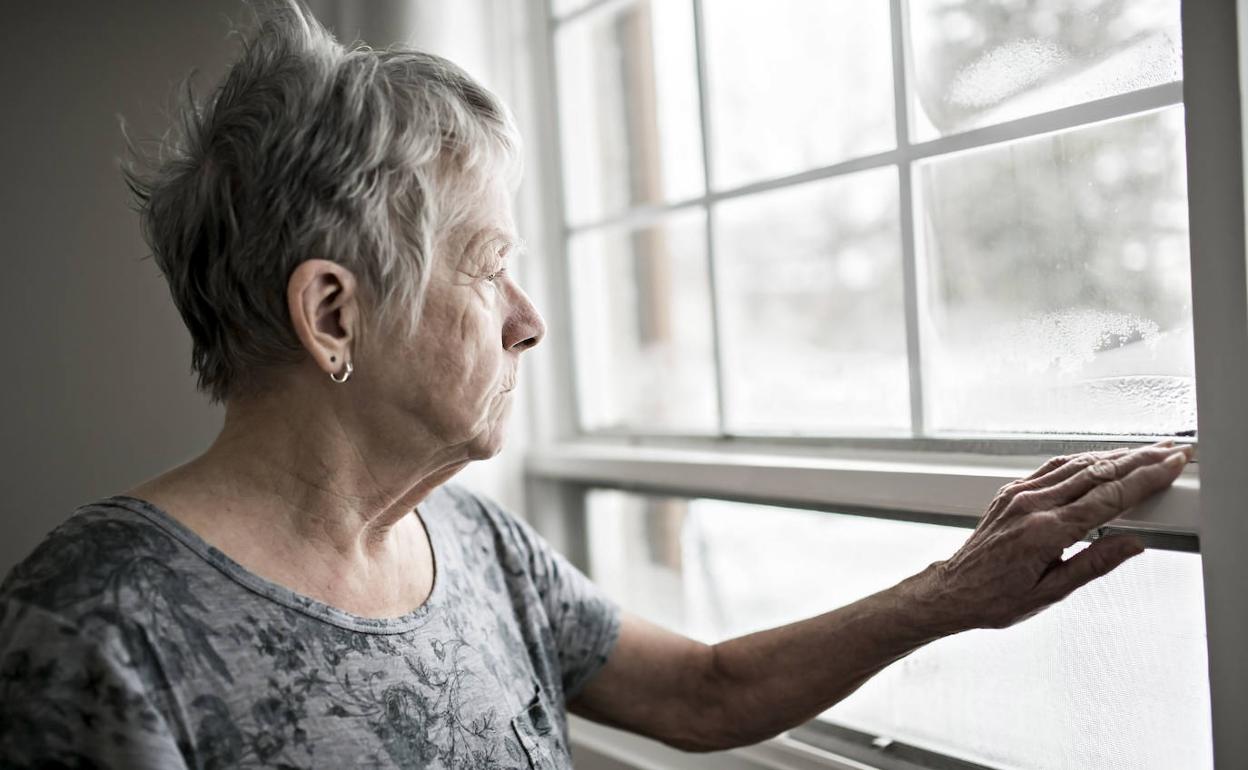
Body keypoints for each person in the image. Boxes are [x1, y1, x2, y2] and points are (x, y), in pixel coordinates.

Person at [0, 2, 1191, 768]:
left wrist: (949, 592)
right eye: (488, 267)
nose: (529, 321)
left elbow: (705, 692)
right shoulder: (96, 624)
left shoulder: (479, 546)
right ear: (333, 315)